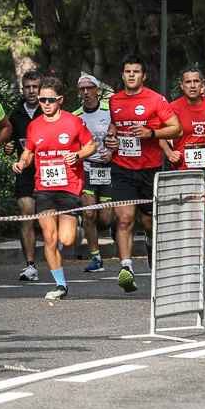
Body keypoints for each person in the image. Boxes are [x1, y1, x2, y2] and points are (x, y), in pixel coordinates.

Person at [104, 56, 182, 293]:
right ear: (122, 75)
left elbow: (176, 128)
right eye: (127, 71)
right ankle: (126, 267)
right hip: (122, 168)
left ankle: (150, 243)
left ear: (143, 75)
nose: (131, 75)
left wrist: (150, 133)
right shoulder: (114, 100)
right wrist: (110, 139)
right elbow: (115, 126)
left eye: (135, 71)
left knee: (149, 222)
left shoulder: (155, 99)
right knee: (125, 218)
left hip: (149, 168)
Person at [14, 76, 96, 300]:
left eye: (50, 100)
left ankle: (75, 224)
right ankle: (60, 285)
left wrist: (77, 155)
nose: (45, 104)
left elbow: (92, 145)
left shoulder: (73, 122)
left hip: (69, 187)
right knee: (50, 238)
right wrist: (22, 162)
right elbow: (29, 151)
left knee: (67, 240)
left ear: (60, 100)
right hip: (44, 189)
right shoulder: (34, 126)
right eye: (42, 100)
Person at [165, 67, 205, 272]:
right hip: (182, 167)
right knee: (188, 214)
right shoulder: (172, 107)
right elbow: (161, 134)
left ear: (202, 86)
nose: (192, 85)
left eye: (196, 82)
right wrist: (168, 152)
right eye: (188, 82)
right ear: (182, 86)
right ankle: (188, 259)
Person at [74, 73, 115, 272]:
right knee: (89, 214)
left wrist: (113, 153)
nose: (86, 92)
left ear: (97, 90)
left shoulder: (110, 112)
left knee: (105, 219)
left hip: (108, 168)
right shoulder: (75, 117)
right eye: (82, 89)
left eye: (89, 88)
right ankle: (96, 257)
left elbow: (120, 135)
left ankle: (112, 224)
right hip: (87, 168)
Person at [8, 70, 43, 281]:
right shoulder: (15, 114)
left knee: (49, 221)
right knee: (27, 214)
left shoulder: (49, 110)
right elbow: (10, 141)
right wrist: (9, 147)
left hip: (49, 172)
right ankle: (30, 265)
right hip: (25, 172)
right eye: (28, 87)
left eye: (35, 87)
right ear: (23, 89)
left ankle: (54, 252)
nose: (31, 91)